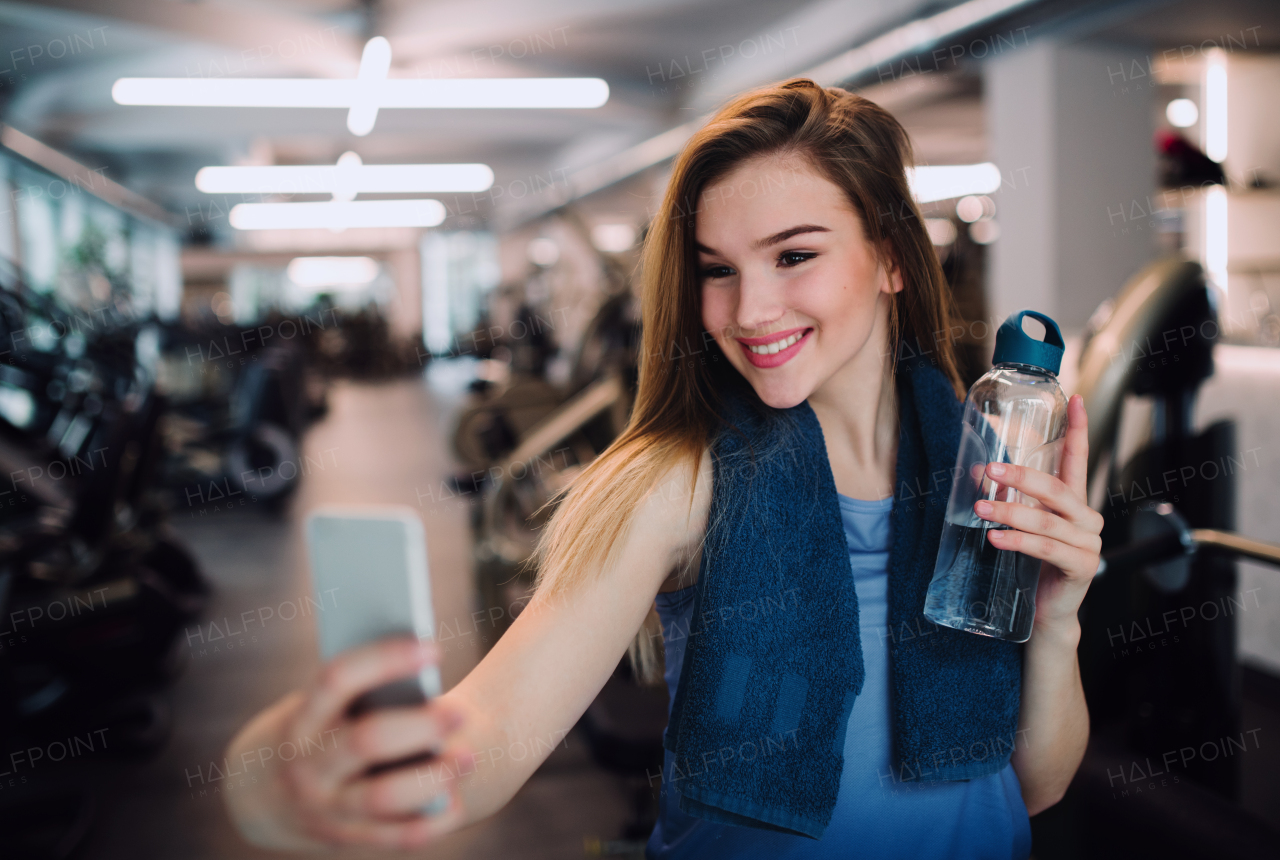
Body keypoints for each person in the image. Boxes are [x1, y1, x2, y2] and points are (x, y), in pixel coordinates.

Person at [223, 78, 1103, 857]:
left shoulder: (982, 470)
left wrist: (1056, 619)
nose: (750, 310)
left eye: (795, 255)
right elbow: (487, 733)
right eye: (716, 270)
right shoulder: (678, 478)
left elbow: (1033, 786)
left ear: (894, 259)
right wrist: (289, 777)